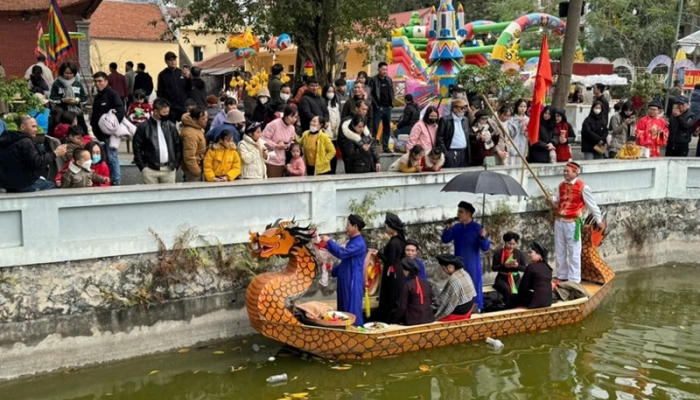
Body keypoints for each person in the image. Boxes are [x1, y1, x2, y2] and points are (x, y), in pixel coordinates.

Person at [553, 162, 604, 283]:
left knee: (574, 250)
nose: (565, 173)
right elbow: (558, 199)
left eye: (568, 171)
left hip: (573, 222)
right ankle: (561, 275)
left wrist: (599, 220)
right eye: (564, 171)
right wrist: (552, 199)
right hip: (559, 220)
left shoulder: (583, 187)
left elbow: (592, 205)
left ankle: (574, 278)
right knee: (560, 249)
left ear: (575, 173)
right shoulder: (561, 185)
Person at [441, 201, 490, 311]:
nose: (458, 214)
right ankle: (459, 308)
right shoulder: (456, 228)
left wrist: (483, 237)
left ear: (468, 214)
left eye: (461, 212)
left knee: (473, 285)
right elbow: (445, 240)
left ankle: (476, 308)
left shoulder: (477, 228)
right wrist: (447, 228)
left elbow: (485, 247)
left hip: (472, 264)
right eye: (458, 211)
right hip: (458, 264)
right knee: (458, 286)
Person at [0, 116, 68, 192]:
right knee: (53, 187)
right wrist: (55, 153)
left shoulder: (9, 139)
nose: (36, 130)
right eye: (33, 127)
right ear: (22, 127)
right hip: (23, 184)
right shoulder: (25, 142)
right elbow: (38, 162)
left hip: (7, 183)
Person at [322, 214, 368, 326]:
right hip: (345, 279)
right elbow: (346, 262)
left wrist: (329, 242)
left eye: (348, 225)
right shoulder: (352, 241)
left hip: (352, 281)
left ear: (355, 226)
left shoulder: (359, 244)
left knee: (351, 309)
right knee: (343, 308)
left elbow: (342, 254)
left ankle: (356, 331)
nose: (346, 228)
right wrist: (333, 270)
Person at [132, 98, 182, 184]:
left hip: (169, 169)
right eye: (164, 113)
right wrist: (143, 167)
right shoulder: (143, 127)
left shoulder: (171, 126)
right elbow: (137, 148)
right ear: (155, 111)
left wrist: (176, 165)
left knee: (169, 196)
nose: (167, 115)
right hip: (150, 169)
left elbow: (178, 146)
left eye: (168, 112)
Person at [90, 71, 125, 185]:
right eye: (95, 81)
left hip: (110, 134)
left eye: (100, 81)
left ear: (106, 81)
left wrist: (111, 126)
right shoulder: (98, 97)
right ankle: (108, 179)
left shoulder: (113, 94)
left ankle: (115, 181)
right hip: (99, 134)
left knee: (112, 158)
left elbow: (120, 111)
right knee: (104, 159)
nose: (97, 84)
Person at [375, 212, 407, 323]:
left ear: (392, 227)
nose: (386, 228)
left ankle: (388, 320)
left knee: (389, 295)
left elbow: (390, 261)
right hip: (397, 271)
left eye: (387, 226)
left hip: (392, 272)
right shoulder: (400, 240)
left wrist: (378, 254)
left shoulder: (394, 243)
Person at [505, 242, 553, 309]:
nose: (529, 255)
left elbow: (522, 289)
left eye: (531, 253)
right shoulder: (548, 268)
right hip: (548, 302)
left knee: (512, 297)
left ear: (539, 255)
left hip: (536, 303)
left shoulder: (531, 267)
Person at [433, 254, 477, 321]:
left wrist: (437, 315)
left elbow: (451, 304)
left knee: (436, 316)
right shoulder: (464, 273)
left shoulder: (454, 279)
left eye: (443, 269)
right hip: (469, 308)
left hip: (461, 314)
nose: (443, 271)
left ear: (450, 267)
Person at [49, 62, 88, 134]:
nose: (69, 75)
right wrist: (62, 100)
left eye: (71, 73)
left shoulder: (77, 84)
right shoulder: (57, 83)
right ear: (62, 72)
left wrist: (78, 100)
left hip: (76, 112)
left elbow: (84, 97)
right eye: (66, 73)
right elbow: (52, 98)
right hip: (61, 114)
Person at [394, 257, 434, 326]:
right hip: (429, 319)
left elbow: (402, 307)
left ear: (407, 271)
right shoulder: (427, 284)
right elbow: (430, 301)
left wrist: (395, 320)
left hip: (412, 321)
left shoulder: (407, 285)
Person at [261, 105, 298, 177]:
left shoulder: (292, 128)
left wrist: (287, 146)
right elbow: (263, 138)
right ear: (286, 115)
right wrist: (276, 145)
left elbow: (290, 141)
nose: (294, 119)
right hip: (270, 159)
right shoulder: (274, 124)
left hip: (282, 160)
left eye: (296, 117)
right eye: (292, 116)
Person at [491, 231, 528, 303]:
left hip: (515, 278)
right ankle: (508, 308)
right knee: (508, 291)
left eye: (514, 244)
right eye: (509, 243)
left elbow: (524, 268)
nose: (511, 246)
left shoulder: (519, 253)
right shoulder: (498, 253)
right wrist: (504, 266)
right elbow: (494, 268)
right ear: (505, 242)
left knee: (519, 291)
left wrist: (517, 266)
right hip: (502, 277)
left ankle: (517, 307)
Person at [157, 51, 192, 123]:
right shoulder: (162, 75)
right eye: (170, 60)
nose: (173, 62)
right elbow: (160, 92)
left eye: (174, 60)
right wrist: (164, 105)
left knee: (185, 125)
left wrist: (189, 78)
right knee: (171, 127)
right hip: (171, 107)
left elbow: (190, 88)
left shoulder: (182, 72)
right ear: (166, 61)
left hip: (183, 106)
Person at [436, 98, 471, 168]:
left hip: (463, 152)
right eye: (461, 108)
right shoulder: (445, 120)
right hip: (451, 152)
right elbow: (440, 138)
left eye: (465, 108)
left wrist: (477, 136)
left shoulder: (465, 120)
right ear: (454, 109)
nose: (463, 110)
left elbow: (467, 134)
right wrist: (446, 153)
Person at [368, 62, 395, 152]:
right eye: (383, 69)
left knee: (387, 128)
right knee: (375, 128)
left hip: (388, 107)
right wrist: (376, 105)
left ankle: (385, 147)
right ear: (378, 69)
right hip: (378, 107)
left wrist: (392, 104)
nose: (385, 71)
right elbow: (370, 94)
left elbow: (392, 92)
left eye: (386, 69)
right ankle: (373, 147)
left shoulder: (389, 80)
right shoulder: (373, 80)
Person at [180, 106, 208, 181]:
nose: (206, 120)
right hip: (194, 170)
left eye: (206, 118)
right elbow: (189, 156)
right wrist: (197, 172)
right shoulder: (190, 134)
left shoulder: (198, 128)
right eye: (203, 119)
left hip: (200, 166)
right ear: (195, 119)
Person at [506, 99, 529, 166]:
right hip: (513, 146)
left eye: (524, 107)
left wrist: (525, 127)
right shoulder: (511, 118)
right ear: (517, 107)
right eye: (521, 106)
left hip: (523, 146)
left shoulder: (528, 119)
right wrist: (517, 124)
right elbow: (510, 133)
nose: (523, 109)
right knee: (512, 164)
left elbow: (528, 135)